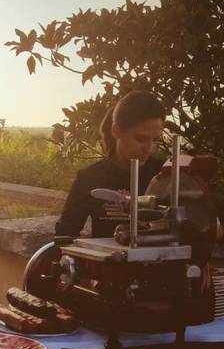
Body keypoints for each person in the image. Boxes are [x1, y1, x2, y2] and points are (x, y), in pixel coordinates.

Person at [56, 90, 166, 238]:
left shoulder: (165, 176)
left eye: (156, 140)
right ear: (116, 131)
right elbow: (65, 234)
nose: (149, 148)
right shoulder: (90, 178)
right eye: (141, 139)